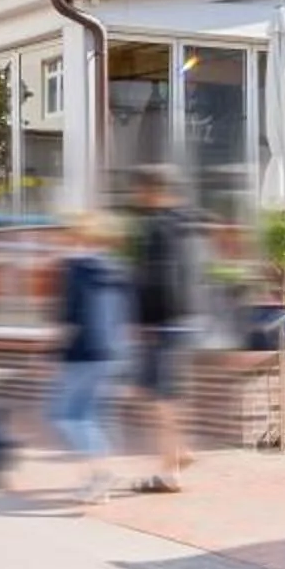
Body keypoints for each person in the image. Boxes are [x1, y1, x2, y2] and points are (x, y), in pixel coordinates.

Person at [125, 164, 199, 493]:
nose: (137, 196)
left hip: (162, 322)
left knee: (159, 397)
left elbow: (157, 277)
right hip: (181, 319)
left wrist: (146, 320)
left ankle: (171, 469)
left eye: (140, 189)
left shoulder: (157, 227)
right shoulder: (184, 223)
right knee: (162, 394)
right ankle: (179, 452)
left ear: (153, 190)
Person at [49, 215, 130, 503]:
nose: (62, 241)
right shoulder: (119, 269)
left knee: (67, 416)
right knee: (90, 416)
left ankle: (101, 472)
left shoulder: (75, 268)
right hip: (110, 353)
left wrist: (52, 350)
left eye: (67, 236)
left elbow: (69, 315)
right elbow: (124, 315)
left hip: (81, 352)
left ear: (79, 237)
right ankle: (99, 474)